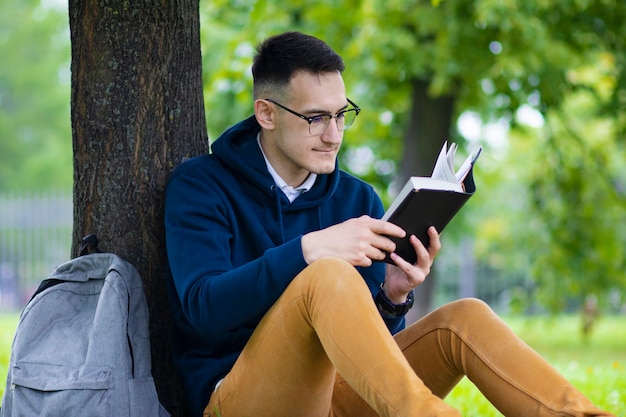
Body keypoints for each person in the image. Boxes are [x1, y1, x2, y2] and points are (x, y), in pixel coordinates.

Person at [164, 31, 614, 417]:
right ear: (267, 114)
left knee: (464, 317)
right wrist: (309, 250)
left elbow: (373, 353)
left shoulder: (357, 199)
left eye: (342, 114)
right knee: (327, 273)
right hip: (243, 397)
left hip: (344, 397)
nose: (334, 134)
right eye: (316, 118)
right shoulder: (201, 184)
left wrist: (393, 296)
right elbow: (203, 308)